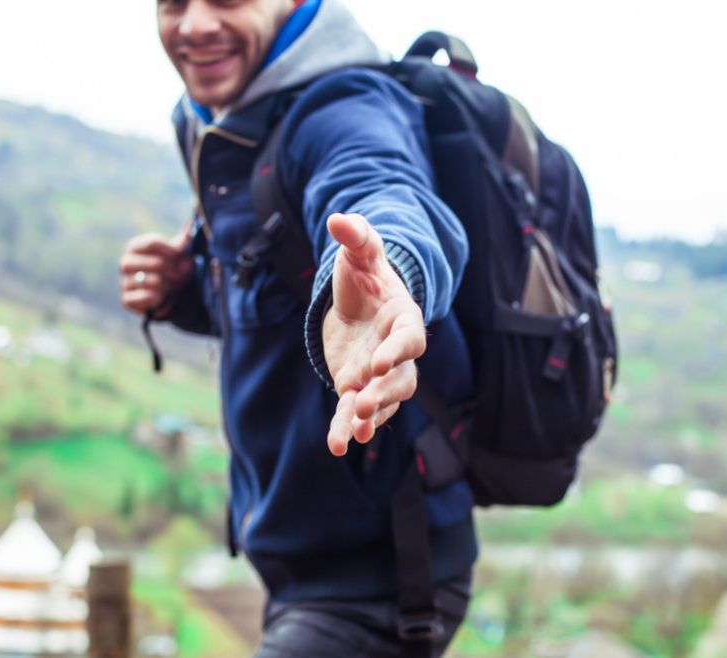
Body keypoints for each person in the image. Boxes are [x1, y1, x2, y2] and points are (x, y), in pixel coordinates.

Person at [120, 1, 476, 655]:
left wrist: (388, 276)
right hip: (299, 569)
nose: (195, 24)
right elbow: (267, 300)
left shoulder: (343, 107)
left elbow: (386, 193)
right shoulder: (218, 123)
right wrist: (186, 293)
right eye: (173, 2)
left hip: (382, 578)